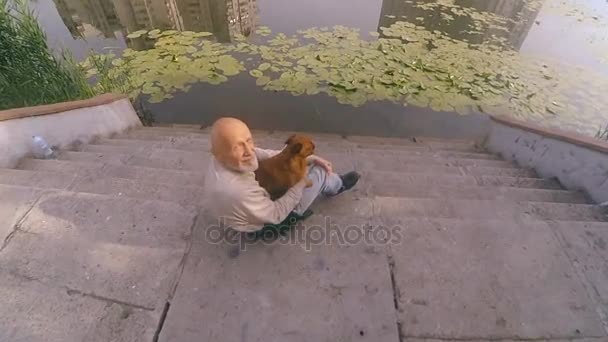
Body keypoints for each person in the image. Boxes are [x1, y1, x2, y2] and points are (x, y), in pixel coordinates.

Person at [203, 117, 360, 235]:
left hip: (243, 210)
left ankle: (331, 181)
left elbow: (263, 154)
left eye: (249, 140)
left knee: (309, 167)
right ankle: (337, 185)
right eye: (238, 146)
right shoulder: (239, 191)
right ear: (219, 153)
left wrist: (311, 159)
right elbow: (276, 214)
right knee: (319, 174)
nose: (249, 150)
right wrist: (301, 182)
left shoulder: (220, 156)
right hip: (264, 225)